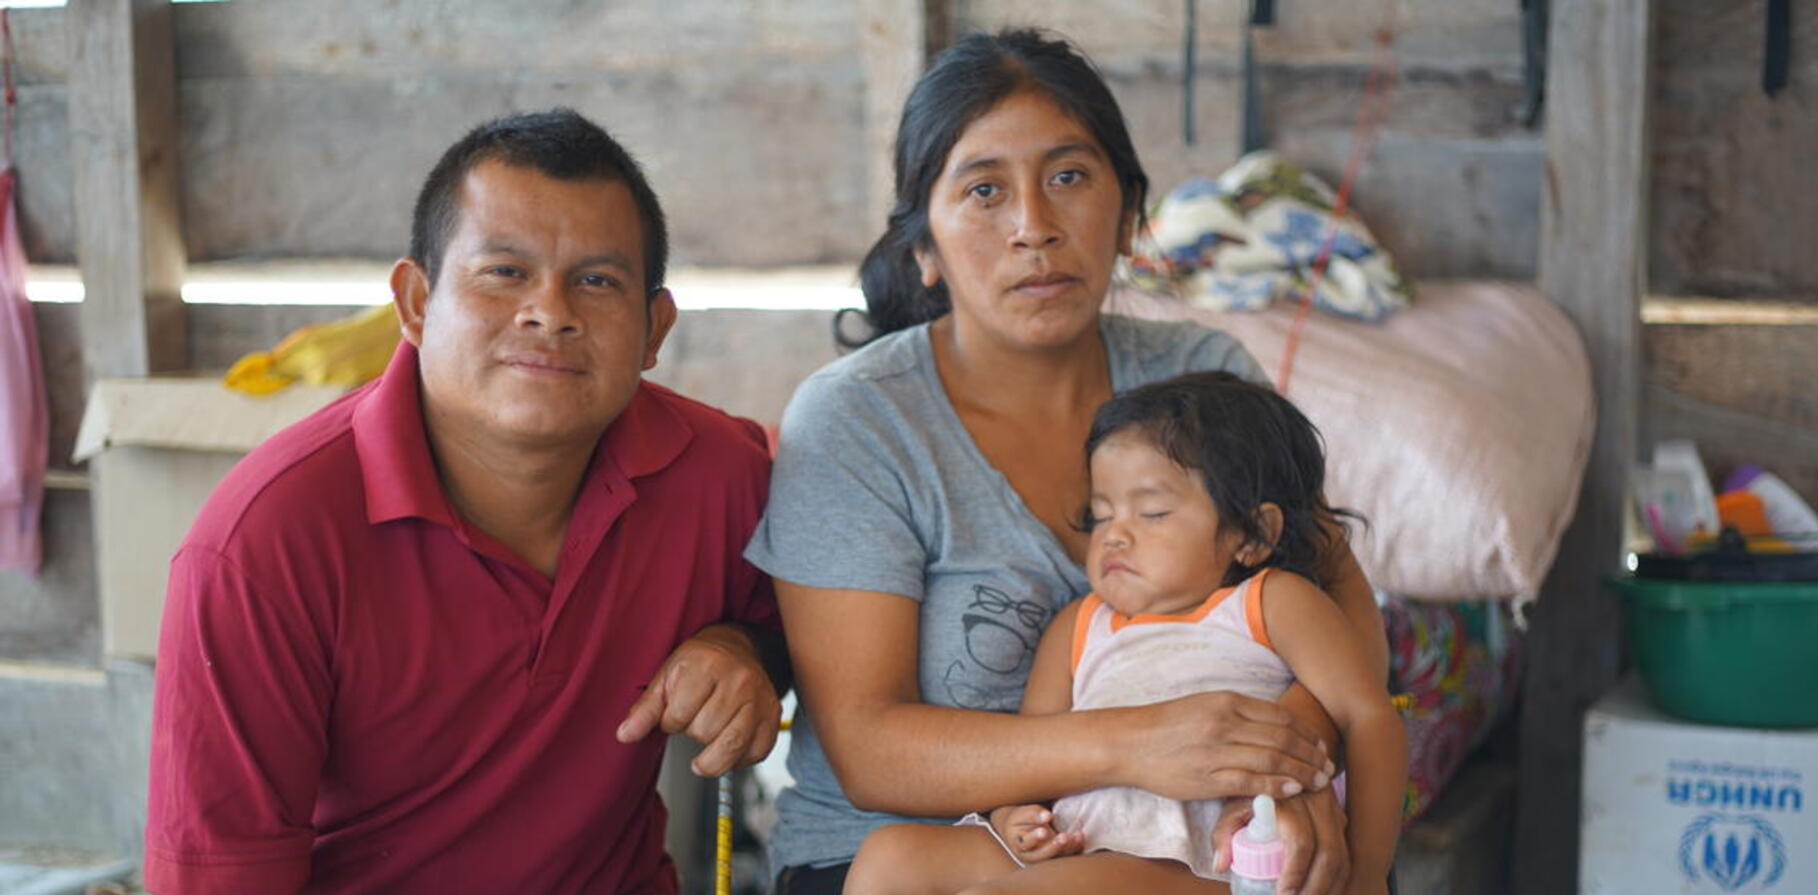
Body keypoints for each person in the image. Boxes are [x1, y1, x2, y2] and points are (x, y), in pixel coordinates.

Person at [744, 29, 1389, 895]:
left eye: (1070, 177)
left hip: (1196, 834)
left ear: (1125, 215)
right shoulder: (861, 420)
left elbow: (1334, 592)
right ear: (923, 249)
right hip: (917, 847)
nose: (1034, 228)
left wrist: (1286, 762)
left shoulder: (1201, 379)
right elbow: (870, 748)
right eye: (984, 190)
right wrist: (1139, 742)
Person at [143, 108, 787, 894]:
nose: (550, 312)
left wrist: (744, 649)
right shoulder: (267, 541)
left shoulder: (717, 474)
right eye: (504, 272)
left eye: (597, 280)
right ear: (415, 302)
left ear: (654, 329)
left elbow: (798, 626)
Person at [844, 372, 1407, 895]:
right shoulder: (1079, 624)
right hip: (1078, 838)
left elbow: (1367, 715)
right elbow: (1034, 754)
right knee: (891, 858)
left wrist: (1368, 869)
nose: (1115, 536)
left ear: (1254, 534)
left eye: (1153, 513)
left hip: (1190, 855)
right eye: (1102, 515)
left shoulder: (1270, 601)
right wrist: (1015, 815)